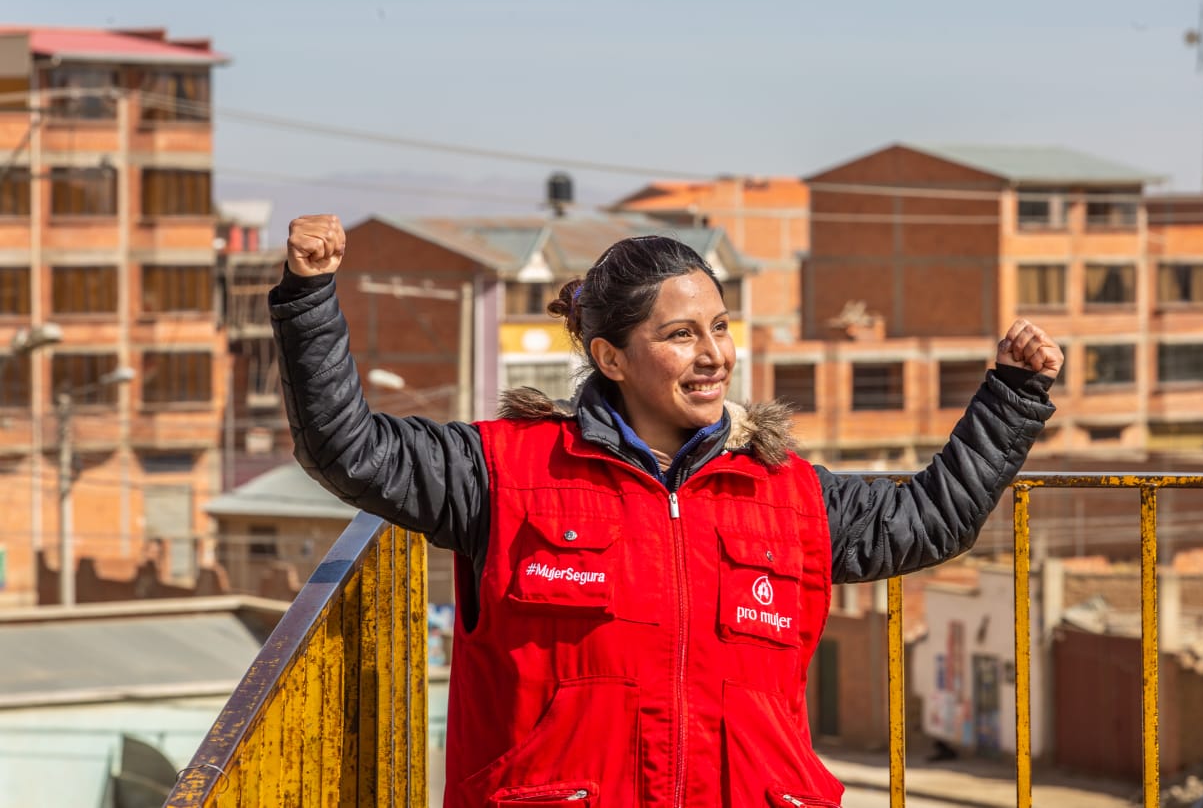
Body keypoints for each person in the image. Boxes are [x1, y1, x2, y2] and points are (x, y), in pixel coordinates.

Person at [272, 214, 1063, 808]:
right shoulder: (501, 471)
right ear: (610, 357)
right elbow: (349, 448)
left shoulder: (787, 493)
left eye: (719, 328)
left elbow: (929, 519)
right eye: (679, 335)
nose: (714, 354)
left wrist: (1010, 395)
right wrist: (310, 297)